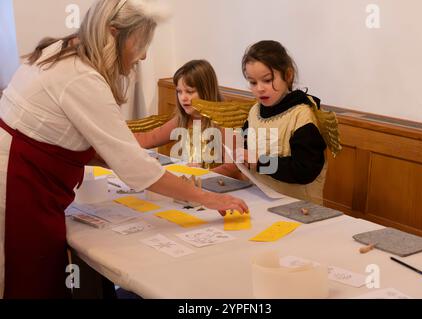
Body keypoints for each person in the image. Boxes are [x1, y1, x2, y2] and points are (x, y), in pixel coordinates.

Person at [0, 0, 247, 299]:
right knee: (26, 277)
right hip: (17, 184)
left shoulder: (63, 53)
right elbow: (134, 166)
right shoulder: (82, 77)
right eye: (142, 44)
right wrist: (208, 199)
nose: (143, 56)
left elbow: (93, 148)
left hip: (26, 176)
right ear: (115, 33)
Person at [215, 40, 332, 205]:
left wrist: (261, 162)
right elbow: (248, 150)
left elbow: (305, 170)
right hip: (261, 198)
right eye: (253, 82)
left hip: (299, 206)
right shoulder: (255, 111)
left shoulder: (302, 116)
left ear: (288, 76)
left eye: (267, 80)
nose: (260, 88)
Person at [132, 59, 224, 169]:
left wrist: (205, 173)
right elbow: (148, 138)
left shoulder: (223, 123)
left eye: (189, 92)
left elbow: (234, 169)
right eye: (179, 91)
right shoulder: (182, 120)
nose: (183, 98)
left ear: (206, 91)